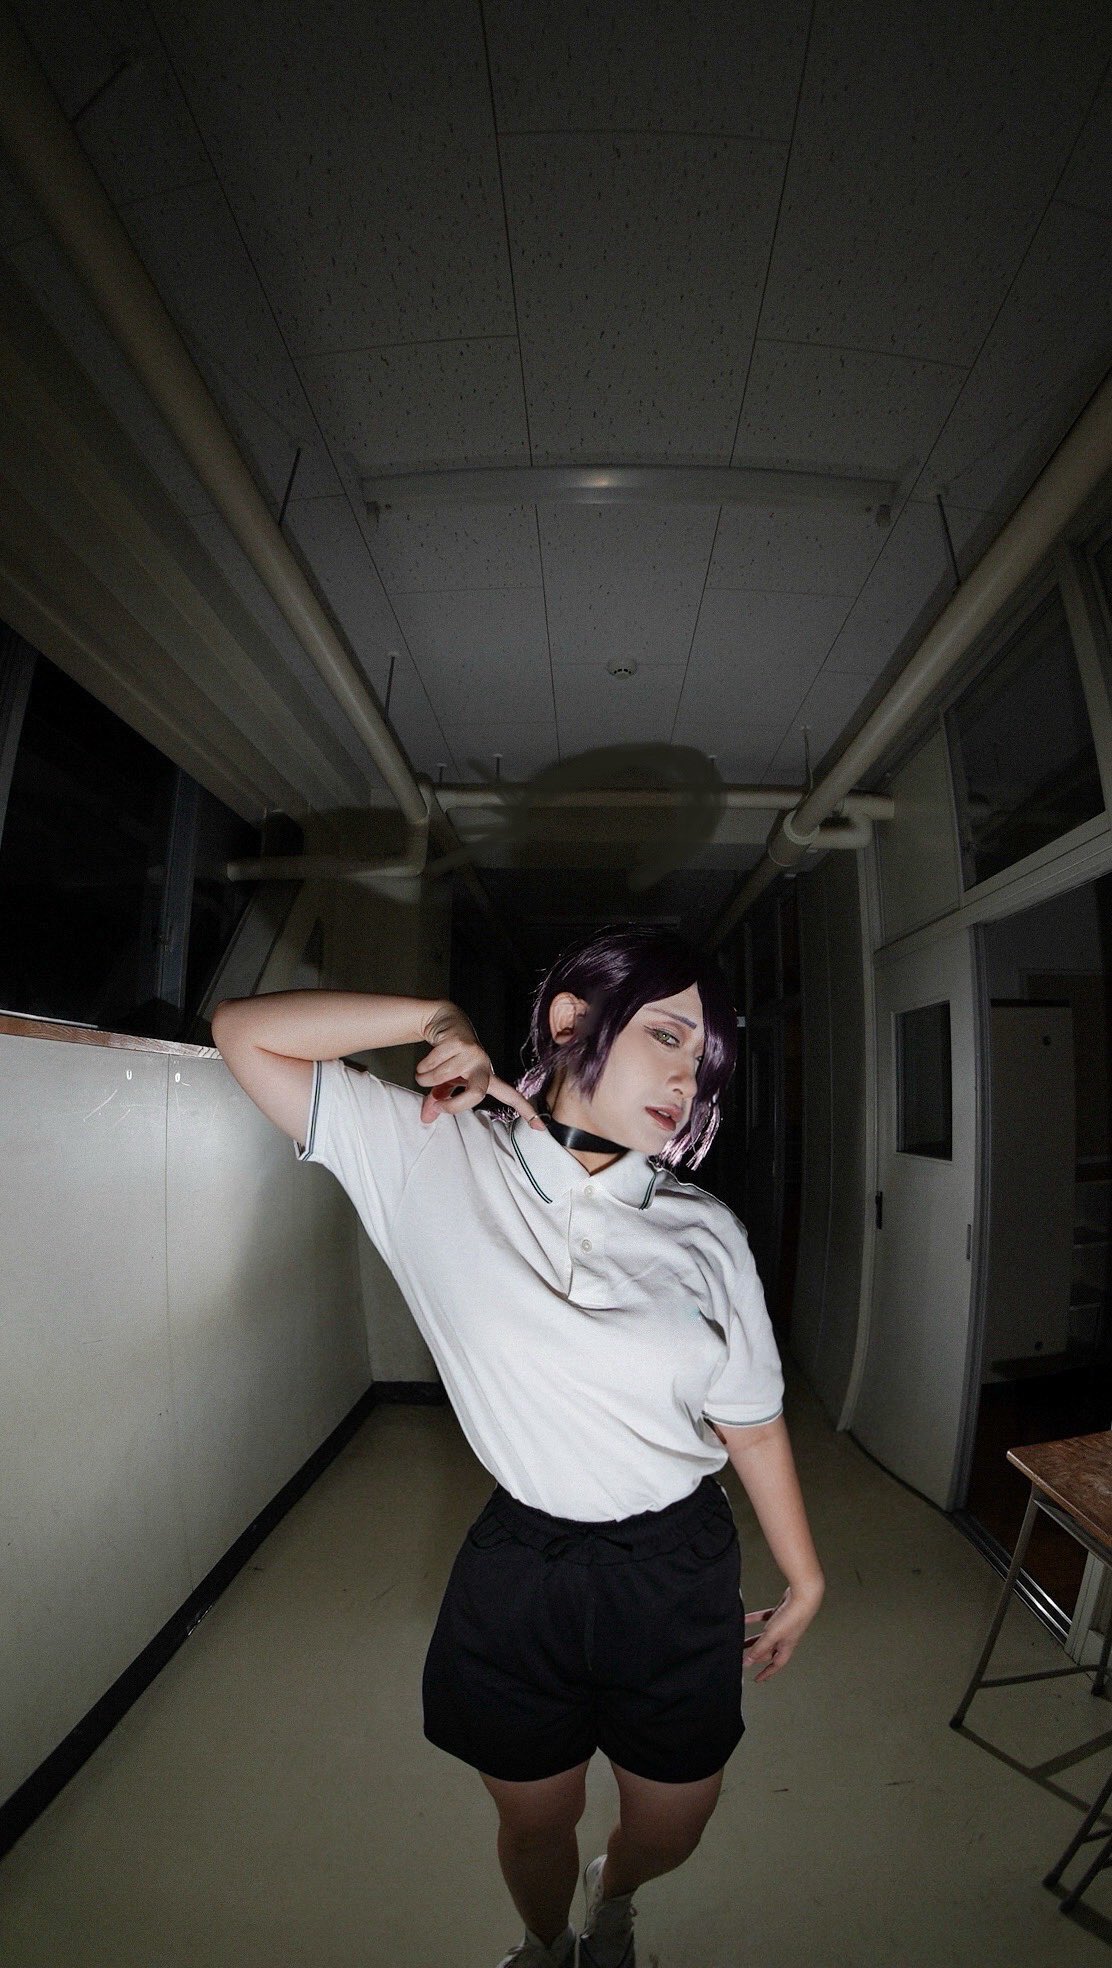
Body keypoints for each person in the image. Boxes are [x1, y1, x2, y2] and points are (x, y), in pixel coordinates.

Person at [211, 922, 824, 1968]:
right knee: (534, 1818)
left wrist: (804, 1578)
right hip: (522, 1563)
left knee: (673, 1824)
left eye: (705, 1061)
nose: (688, 1078)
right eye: (668, 1036)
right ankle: (546, 1945)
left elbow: (751, 1421)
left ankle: (614, 1900)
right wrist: (432, 1019)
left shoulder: (703, 1230)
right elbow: (243, 1033)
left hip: (676, 1562)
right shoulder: (429, 1151)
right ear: (572, 1018)